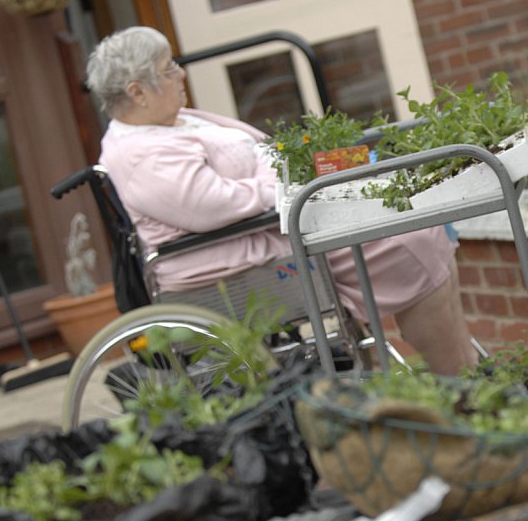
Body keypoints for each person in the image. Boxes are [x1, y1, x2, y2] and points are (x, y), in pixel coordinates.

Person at [85, 26, 477, 376]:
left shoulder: (170, 121)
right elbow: (215, 205)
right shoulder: (138, 154)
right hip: (247, 249)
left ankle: (462, 366)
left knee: (404, 200)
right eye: (169, 69)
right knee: (406, 235)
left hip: (280, 216)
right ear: (137, 92)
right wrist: (291, 183)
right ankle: (458, 376)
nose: (181, 73)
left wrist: (313, 167)